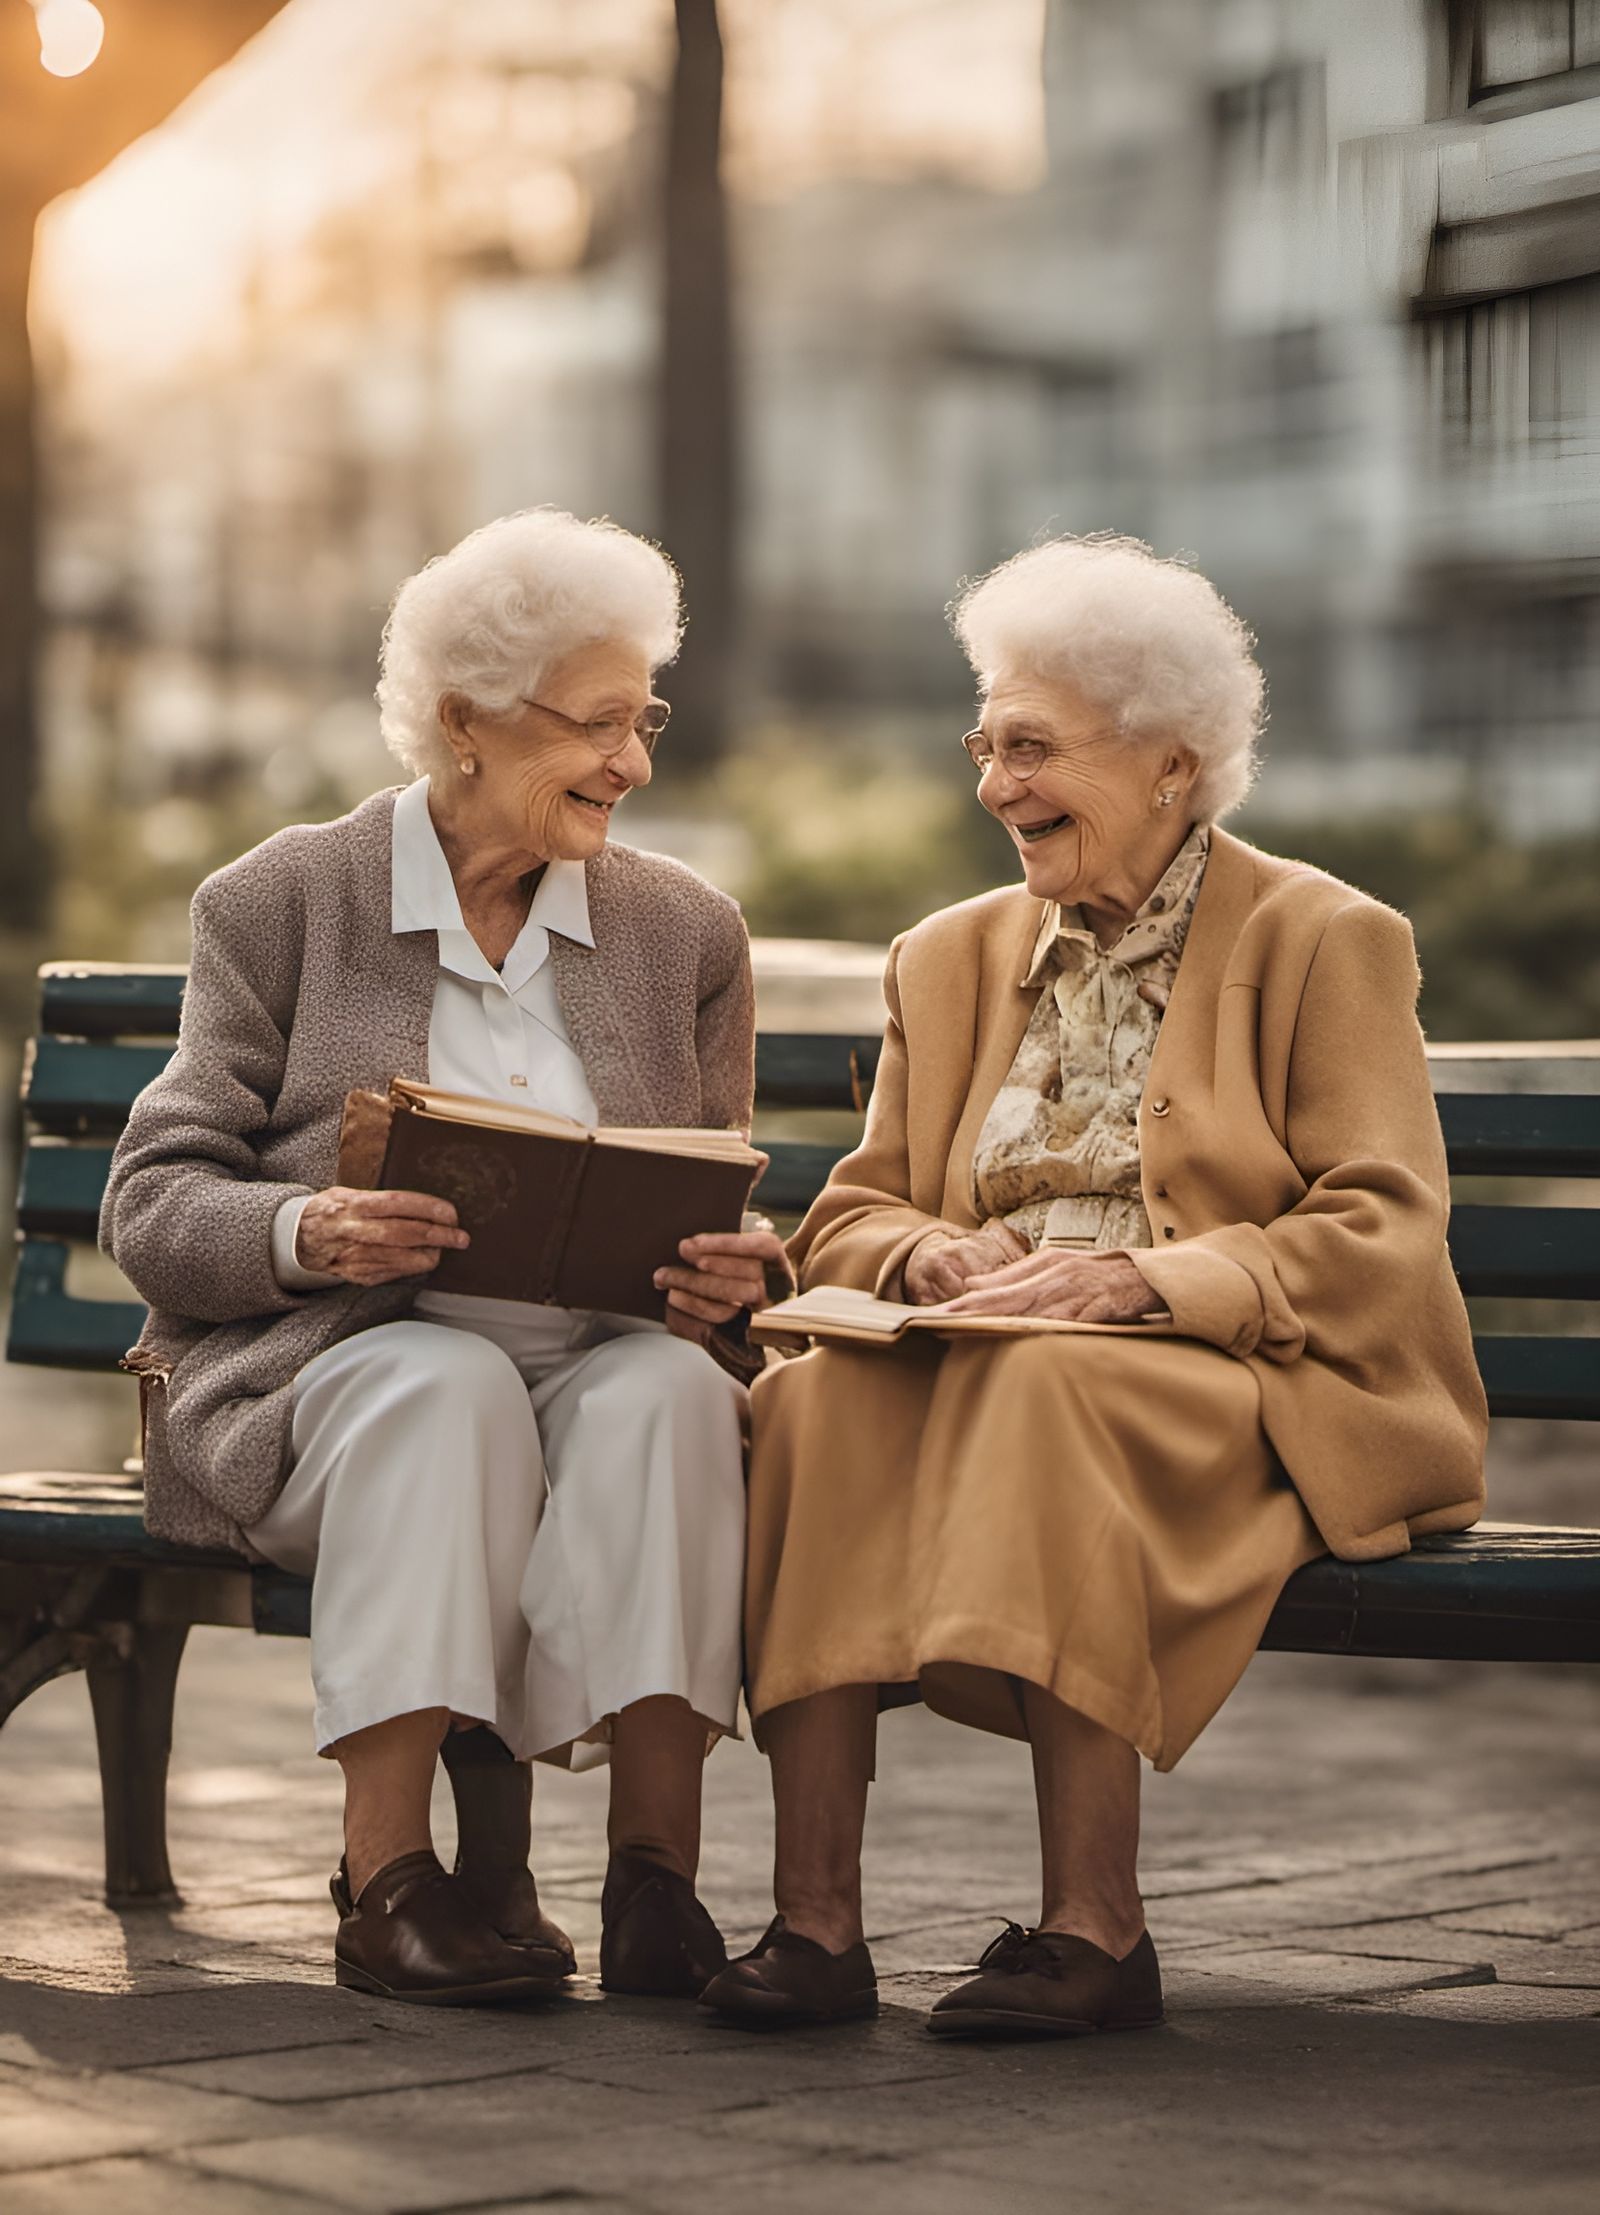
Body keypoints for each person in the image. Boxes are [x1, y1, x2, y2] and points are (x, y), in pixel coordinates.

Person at [701, 534, 1487, 2039]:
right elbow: (854, 1210)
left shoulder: (1326, 939)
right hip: (988, 1347)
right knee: (807, 1405)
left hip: (1255, 1373)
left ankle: (1096, 1929)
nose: (996, 783)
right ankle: (816, 1922)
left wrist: (1143, 1283)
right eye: (985, 744)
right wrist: (927, 1253)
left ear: (1174, 764)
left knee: (1046, 1379)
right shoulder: (945, 957)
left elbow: (1384, 1224)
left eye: (1035, 747)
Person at [102, 509, 786, 2008]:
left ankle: (655, 1881)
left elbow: (724, 1196)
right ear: (465, 723)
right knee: (443, 1382)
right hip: (335, 1383)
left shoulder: (684, 934)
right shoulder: (283, 901)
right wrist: (310, 1229)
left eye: (643, 719)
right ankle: (386, 1877)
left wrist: (740, 1277)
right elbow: (151, 1198)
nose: (634, 764)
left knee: (676, 1403)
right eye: (597, 725)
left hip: (602, 1364)